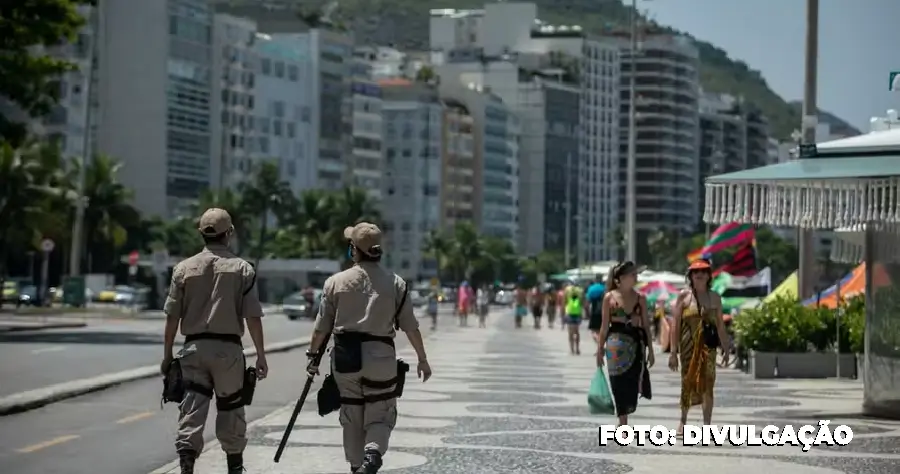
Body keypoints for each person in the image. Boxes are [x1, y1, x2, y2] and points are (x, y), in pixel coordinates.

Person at [306, 222, 432, 474]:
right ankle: (372, 454)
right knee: (380, 414)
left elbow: (321, 328)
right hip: (381, 358)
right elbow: (410, 326)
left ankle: (356, 466)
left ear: (354, 250)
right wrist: (422, 358)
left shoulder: (335, 282)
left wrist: (313, 358)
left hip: (344, 358)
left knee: (351, 413)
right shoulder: (396, 284)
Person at [161, 208, 268, 474]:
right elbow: (253, 316)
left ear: (202, 235)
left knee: (192, 410)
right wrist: (261, 355)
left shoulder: (183, 269)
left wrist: (166, 356)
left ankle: (186, 466)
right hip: (228, 352)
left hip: (193, 349)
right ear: (229, 233)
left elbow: (172, 318)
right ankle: (234, 467)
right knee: (231, 410)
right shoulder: (243, 269)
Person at [669, 259, 730, 436]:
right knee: (687, 383)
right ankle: (683, 421)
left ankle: (707, 424)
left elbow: (720, 325)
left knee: (708, 386)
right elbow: (675, 325)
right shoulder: (684, 297)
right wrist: (673, 352)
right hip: (688, 347)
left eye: (704, 271)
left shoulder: (715, 297)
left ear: (709, 275)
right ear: (691, 276)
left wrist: (725, 348)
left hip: (708, 348)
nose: (700, 275)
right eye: (696, 272)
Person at [596, 261, 653, 427]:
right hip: (615, 344)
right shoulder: (609, 298)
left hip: (635, 344)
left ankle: (625, 415)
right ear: (620, 278)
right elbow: (604, 326)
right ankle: (623, 422)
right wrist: (599, 349)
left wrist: (651, 350)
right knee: (617, 381)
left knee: (632, 382)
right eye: (632, 274)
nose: (635, 277)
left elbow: (646, 325)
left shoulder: (640, 298)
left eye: (636, 274)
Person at [563, 283, 586, 354]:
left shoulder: (567, 290)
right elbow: (583, 302)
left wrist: (562, 313)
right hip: (578, 312)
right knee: (577, 331)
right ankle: (577, 349)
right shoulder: (580, 291)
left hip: (569, 312)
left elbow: (564, 302)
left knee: (570, 332)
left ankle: (571, 349)